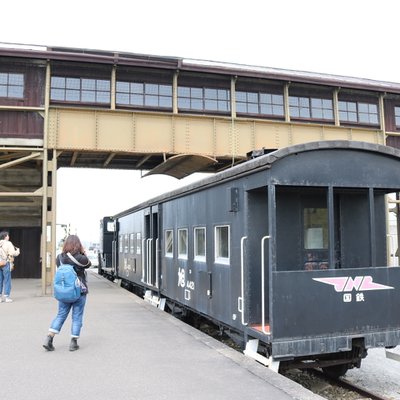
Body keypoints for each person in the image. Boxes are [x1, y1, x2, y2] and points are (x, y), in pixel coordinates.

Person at [43, 234, 91, 352]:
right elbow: (88, 264)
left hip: (64, 291)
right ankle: (73, 342)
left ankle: (49, 338)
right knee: (77, 316)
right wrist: (83, 252)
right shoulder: (81, 258)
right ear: (78, 244)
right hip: (79, 291)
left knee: (61, 315)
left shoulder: (59, 258)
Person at [0, 231, 20, 303]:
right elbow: (12, 253)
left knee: (0, 280)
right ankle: (6, 297)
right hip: (6, 263)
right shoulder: (8, 243)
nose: (8, 237)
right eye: (8, 235)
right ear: (5, 236)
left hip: (0, 263)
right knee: (7, 280)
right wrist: (17, 251)